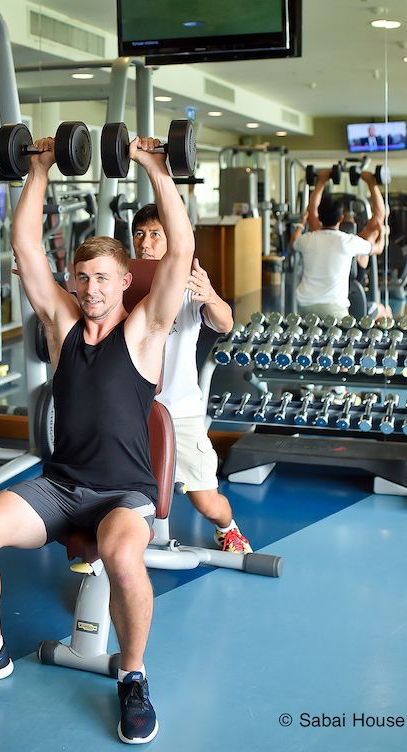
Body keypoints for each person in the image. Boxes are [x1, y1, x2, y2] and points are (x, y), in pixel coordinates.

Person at [0, 133, 195, 746]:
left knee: (122, 556)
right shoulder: (62, 325)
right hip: (60, 488)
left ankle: (132, 676)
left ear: (126, 282)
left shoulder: (145, 331)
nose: (92, 288)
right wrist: (39, 168)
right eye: (82, 277)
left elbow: (180, 251)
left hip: (123, 494)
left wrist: (156, 168)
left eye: (103, 278)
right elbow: (24, 246)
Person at [131, 205, 252, 554]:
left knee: (207, 502)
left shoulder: (187, 285)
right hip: (132, 412)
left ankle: (228, 529)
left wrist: (210, 296)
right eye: (140, 234)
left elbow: (225, 322)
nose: (145, 243)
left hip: (179, 413)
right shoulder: (125, 283)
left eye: (156, 235)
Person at [291, 169, 388, 320]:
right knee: (384, 310)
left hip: (305, 306)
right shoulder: (351, 242)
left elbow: (311, 213)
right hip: (336, 309)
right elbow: (379, 219)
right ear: (341, 219)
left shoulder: (311, 238)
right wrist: (371, 182)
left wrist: (321, 181)